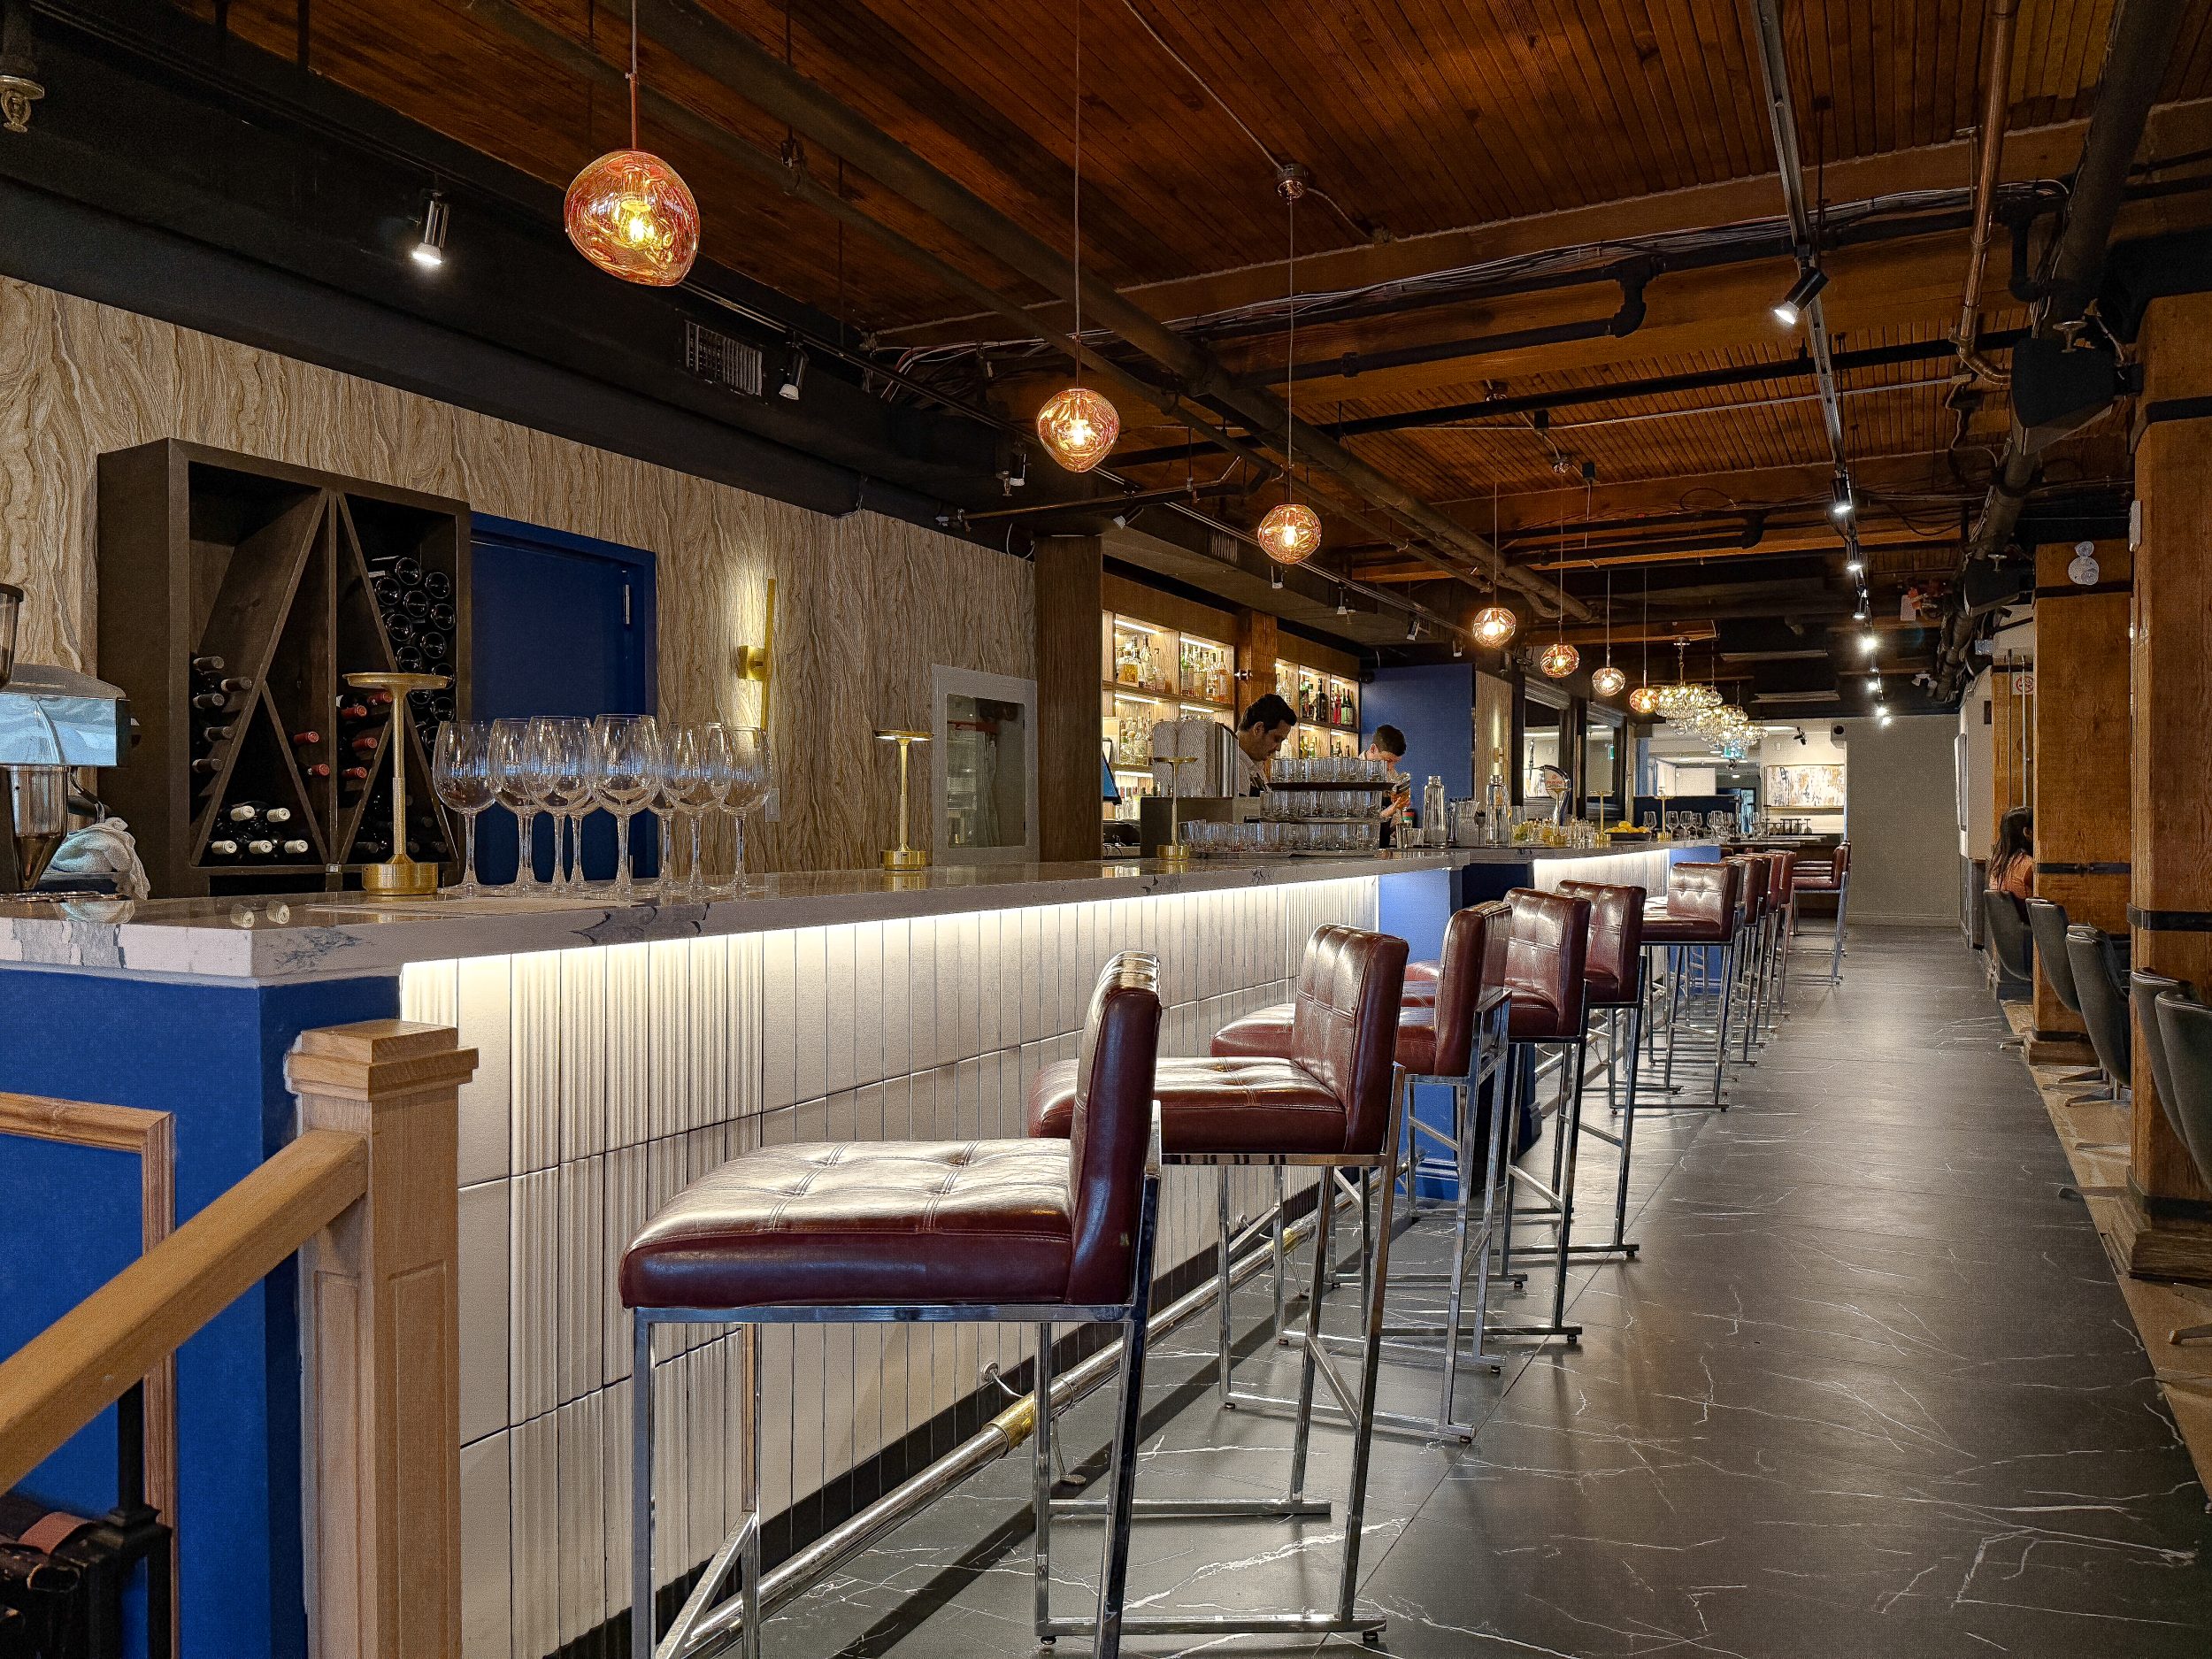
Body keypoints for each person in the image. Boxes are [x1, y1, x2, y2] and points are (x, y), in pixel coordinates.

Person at [1234, 694, 1299, 795]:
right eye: (1277, 739)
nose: (1278, 748)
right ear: (1258, 728)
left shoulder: (1255, 767)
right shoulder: (1232, 767)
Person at [1366, 724, 1410, 842]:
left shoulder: (1393, 775)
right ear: (1373, 749)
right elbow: (1351, 824)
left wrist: (1400, 808)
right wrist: (1384, 814)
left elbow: (1395, 821)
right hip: (1360, 849)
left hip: (1384, 847)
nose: (1390, 767)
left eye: (1395, 762)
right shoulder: (1352, 775)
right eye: (1387, 761)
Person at [1988, 805, 2033, 903]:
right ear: (2027, 832)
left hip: (2005, 919)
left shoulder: (1998, 863)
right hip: (2028, 918)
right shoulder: (2027, 865)